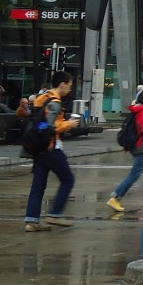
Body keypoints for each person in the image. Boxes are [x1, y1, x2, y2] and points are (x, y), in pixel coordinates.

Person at [23, 70, 81, 232]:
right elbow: (49, 127)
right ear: (62, 84)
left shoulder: (41, 98)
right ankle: (55, 213)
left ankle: (32, 220)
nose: (70, 89)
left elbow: (35, 121)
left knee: (38, 185)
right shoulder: (55, 102)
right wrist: (68, 124)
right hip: (50, 147)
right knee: (68, 179)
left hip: (38, 147)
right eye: (69, 86)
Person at [108, 88, 143, 212]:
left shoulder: (141, 110)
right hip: (141, 147)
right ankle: (115, 198)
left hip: (140, 146)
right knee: (134, 175)